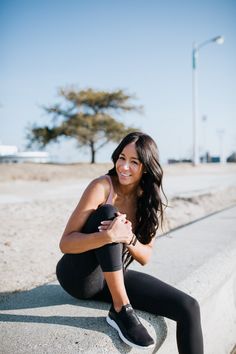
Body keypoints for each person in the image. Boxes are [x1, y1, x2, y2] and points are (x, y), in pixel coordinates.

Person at [56, 131, 204, 353]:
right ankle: (121, 309)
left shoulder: (148, 200)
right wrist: (107, 236)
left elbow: (145, 256)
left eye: (134, 162)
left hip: (113, 276)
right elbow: (65, 244)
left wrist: (128, 237)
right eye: (121, 158)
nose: (124, 166)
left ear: (146, 166)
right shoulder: (102, 186)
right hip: (79, 276)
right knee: (108, 213)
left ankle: (121, 304)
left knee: (189, 307)